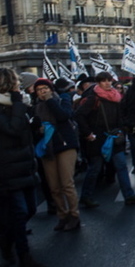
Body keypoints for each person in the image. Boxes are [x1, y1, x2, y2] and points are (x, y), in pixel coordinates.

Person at [0, 68, 48, 267]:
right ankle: (24, 257)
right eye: (16, 82)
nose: (19, 85)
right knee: (20, 212)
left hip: (23, 164)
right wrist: (19, 105)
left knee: (31, 209)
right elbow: (12, 129)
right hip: (6, 167)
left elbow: (22, 131)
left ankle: (6, 239)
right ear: (7, 84)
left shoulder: (15, 105)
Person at [75, 72, 135, 208]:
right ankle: (86, 196)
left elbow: (120, 115)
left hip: (114, 136)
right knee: (95, 168)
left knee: (121, 166)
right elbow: (79, 115)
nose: (107, 83)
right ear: (99, 82)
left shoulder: (115, 96)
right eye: (104, 81)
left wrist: (122, 128)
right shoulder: (93, 98)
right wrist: (88, 133)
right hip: (98, 138)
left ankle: (129, 195)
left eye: (109, 80)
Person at [32, 78, 81, 232]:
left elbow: (63, 116)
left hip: (65, 145)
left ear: (51, 89)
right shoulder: (36, 107)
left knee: (67, 183)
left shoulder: (62, 100)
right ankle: (62, 215)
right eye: (39, 90)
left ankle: (74, 215)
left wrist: (50, 101)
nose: (42, 92)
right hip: (49, 148)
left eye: (45, 89)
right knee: (54, 186)